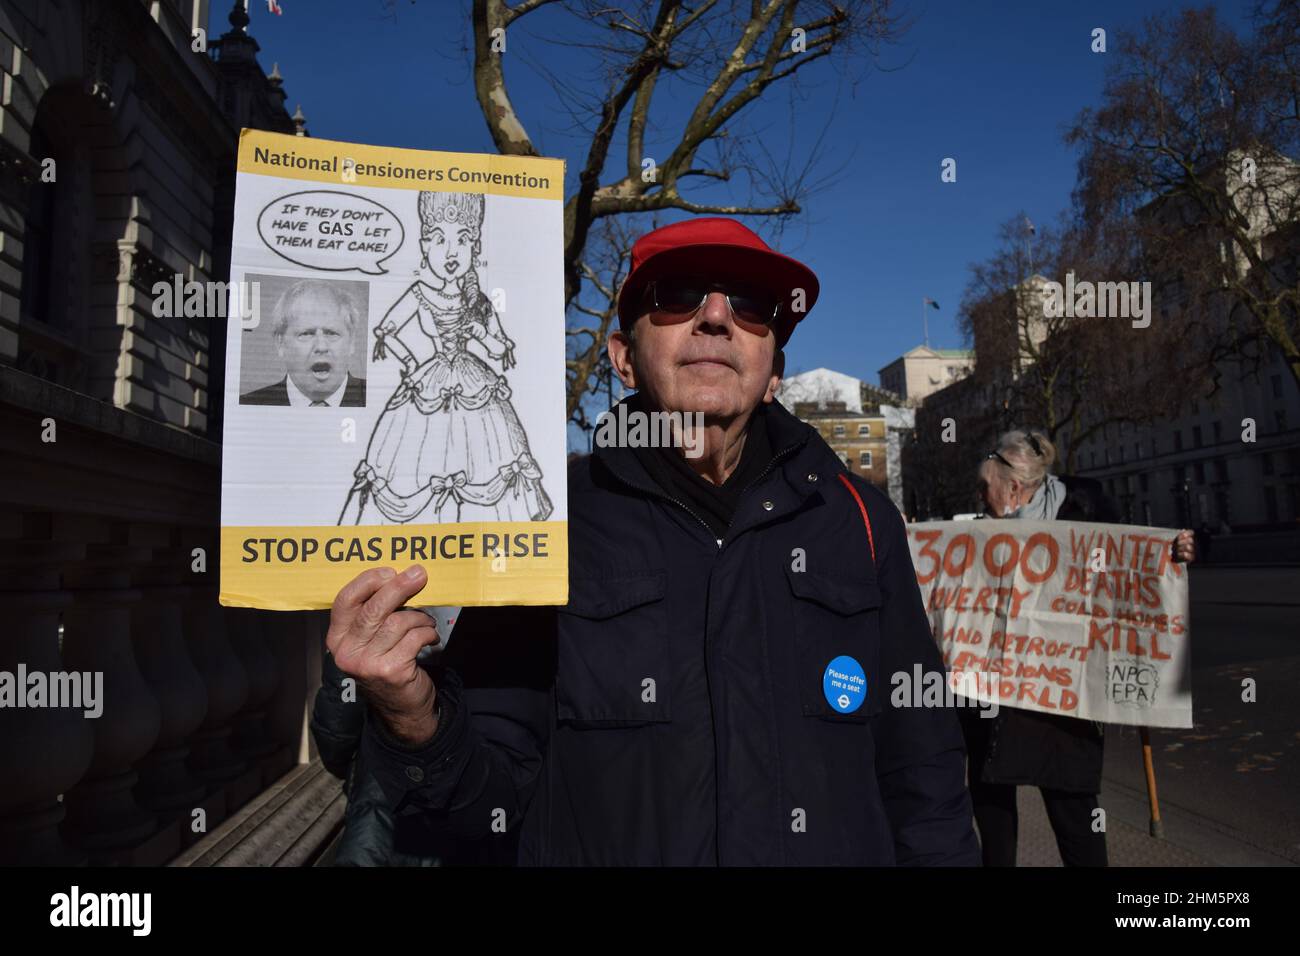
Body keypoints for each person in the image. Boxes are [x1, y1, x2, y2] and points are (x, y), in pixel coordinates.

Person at [323, 216, 981, 866]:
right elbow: (489, 797)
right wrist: (412, 716)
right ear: (623, 358)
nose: (718, 317)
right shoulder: (546, 528)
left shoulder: (862, 522)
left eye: (750, 303)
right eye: (680, 294)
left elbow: (924, 776)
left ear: (773, 367)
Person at [965, 428, 1195, 866]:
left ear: (1013, 488)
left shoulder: (1088, 511)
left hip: (1061, 695)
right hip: (994, 695)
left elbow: (1132, 570)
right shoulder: (981, 533)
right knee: (993, 810)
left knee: (1074, 811)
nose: (980, 497)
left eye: (985, 487)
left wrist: (1173, 553)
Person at [340, 191, 551, 526]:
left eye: (462, 239)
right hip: (429, 380)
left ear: (474, 247)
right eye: (440, 240)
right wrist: (409, 361)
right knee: (423, 456)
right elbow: (385, 330)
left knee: (481, 455)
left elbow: (502, 348)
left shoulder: (479, 301)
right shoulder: (420, 294)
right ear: (425, 247)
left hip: (475, 382)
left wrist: (480, 335)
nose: (451, 251)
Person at [240, 279, 367, 407]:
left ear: (351, 341)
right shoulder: (248, 405)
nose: (321, 347)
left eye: (331, 333)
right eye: (307, 334)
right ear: (280, 343)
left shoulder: (377, 400)